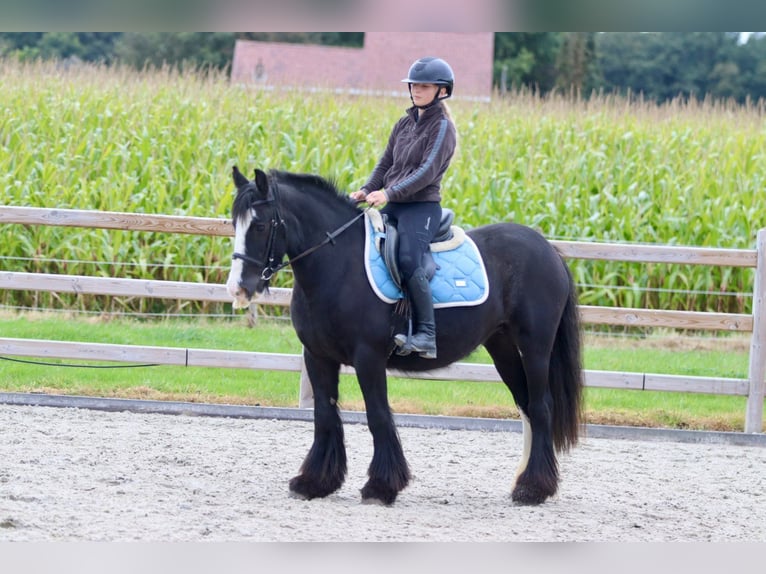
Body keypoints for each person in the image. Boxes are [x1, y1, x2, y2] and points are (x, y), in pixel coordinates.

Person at [350, 56, 457, 359]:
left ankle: (427, 334)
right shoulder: (403, 123)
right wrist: (367, 188)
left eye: (425, 86)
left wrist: (389, 193)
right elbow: (386, 163)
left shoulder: (442, 128)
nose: (417, 90)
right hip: (393, 203)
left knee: (409, 260)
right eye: (414, 85)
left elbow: (426, 172)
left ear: (442, 91)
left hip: (420, 208)